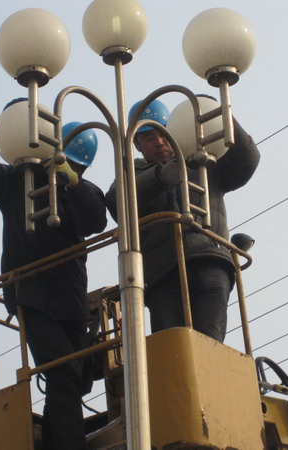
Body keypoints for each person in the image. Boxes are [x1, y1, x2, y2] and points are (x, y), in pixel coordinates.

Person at [0, 101, 107, 450]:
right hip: (31, 295)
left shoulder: (83, 190)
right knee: (62, 372)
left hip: (71, 299)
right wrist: (5, 123)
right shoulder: (15, 183)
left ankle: (55, 441)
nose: (71, 166)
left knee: (74, 379)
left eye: (77, 165)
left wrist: (71, 182)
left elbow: (96, 221)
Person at [105, 98, 259, 343]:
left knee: (209, 343)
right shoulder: (133, 173)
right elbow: (117, 203)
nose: (159, 142)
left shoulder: (203, 160)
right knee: (173, 346)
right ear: (137, 145)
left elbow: (246, 161)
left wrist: (221, 114)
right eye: (149, 137)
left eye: (164, 133)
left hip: (210, 259)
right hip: (163, 274)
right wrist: (159, 177)